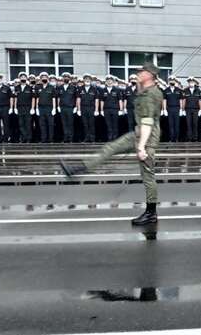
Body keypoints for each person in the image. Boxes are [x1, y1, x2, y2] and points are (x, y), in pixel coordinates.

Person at [60, 63, 164, 226]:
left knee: (147, 176)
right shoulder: (147, 92)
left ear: (150, 74)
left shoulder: (151, 95)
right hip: (138, 133)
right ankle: (78, 169)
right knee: (111, 148)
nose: (138, 73)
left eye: (141, 72)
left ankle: (151, 213)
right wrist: (140, 83)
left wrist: (142, 146)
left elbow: (148, 121)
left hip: (147, 136)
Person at [34, 72, 57, 143]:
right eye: (42, 77)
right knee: (42, 125)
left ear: (48, 79)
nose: (44, 79)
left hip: (49, 108)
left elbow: (53, 98)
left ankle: (51, 139)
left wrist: (54, 108)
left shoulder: (51, 87)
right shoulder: (38, 87)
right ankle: (44, 139)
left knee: (50, 124)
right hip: (41, 108)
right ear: (41, 79)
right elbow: (37, 98)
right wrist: (36, 108)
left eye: (45, 77)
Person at [12, 71, 34, 143]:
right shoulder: (17, 87)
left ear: (26, 78)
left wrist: (32, 108)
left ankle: (29, 138)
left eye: (24, 77)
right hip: (19, 108)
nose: (23, 78)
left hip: (28, 108)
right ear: (19, 78)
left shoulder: (30, 88)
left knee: (28, 124)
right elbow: (15, 98)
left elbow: (33, 98)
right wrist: (15, 108)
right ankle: (23, 138)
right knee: (21, 124)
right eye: (22, 77)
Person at [57, 71, 78, 143]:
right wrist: (58, 106)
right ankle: (66, 138)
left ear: (69, 79)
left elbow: (76, 98)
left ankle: (71, 138)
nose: (66, 78)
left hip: (70, 108)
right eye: (64, 77)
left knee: (70, 123)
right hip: (62, 108)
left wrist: (76, 107)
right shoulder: (60, 87)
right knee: (64, 123)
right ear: (63, 79)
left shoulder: (73, 88)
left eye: (67, 77)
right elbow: (58, 98)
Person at [78, 74, 99, 143]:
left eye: (88, 79)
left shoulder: (94, 89)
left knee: (91, 124)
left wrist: (96, 110)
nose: (87, 80)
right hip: (83, 108)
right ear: (84, 80)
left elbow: (96, 100)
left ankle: (92, 138)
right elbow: (78, 99)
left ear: (90, 80)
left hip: (91, 108)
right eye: (86, 79)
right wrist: (79, 109)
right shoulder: (80, 88)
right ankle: (87, 138)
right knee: (85, 124)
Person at [162, 75, 183, 142]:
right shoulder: (166, 90)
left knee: (177, 124)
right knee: (170, 124)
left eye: (173, 81)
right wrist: (164, 109)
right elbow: (164, 100)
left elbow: (181, 100)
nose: (172, 82)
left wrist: (181, 109)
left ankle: (176, 138)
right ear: (168, 81)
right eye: (171, 81)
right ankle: (171, 138)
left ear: (175, 81)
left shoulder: (179, 90)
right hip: (169, 108)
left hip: (177, 108)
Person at [183, 77, 201, 141]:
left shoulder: (198, 91)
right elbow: (184, 100)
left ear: (195, 83)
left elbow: (200, 100)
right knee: (188, 124)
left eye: (193, 82)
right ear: (188, 83)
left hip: (196, 109)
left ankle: (195, 137)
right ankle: (189, 137)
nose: (191, 83)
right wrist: (182, 110)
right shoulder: (185, 91)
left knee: (195, 124)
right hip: (188, 109)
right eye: (190, 82)